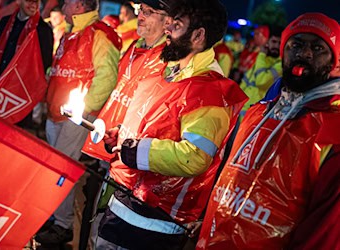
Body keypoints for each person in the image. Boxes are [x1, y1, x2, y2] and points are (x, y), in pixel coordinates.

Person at [96, 0, 247, 249]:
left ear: (198, 35)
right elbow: (153, 126)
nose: (167, 29)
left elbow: (195, 156)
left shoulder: (211, 91)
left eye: (176, 25)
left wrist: (138, 151)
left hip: (155, 222)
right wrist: (121, 136)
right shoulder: (166, 71)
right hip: (123, 202)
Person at [197, 12, 340, 249]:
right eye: (296, 45)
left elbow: (324, 235)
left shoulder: (332, 134)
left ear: (336, 62)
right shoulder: (258, 114)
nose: (304, 53)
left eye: (317, 48)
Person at [80, 0, 172, 247]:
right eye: (141, 10)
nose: (140, 16)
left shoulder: (169, 61)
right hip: (110, 145)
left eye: (150, 12)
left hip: (132, 163)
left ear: (168, 22)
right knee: (96, 221)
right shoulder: (135, 46)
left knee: (108, 231)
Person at [35, 0, 121, 246]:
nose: (63, 5)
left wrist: (80, 114)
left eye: (69, 1)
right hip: (57, 113)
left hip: (75, 117)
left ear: (80, 5)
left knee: (61, 170)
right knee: (56, 169)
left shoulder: (99, 34)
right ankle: (56, 217)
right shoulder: (72, 33)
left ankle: (63, 225)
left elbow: (107, 77)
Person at [0, 0, 53, 128]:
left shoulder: (42, 30)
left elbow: (44, 66)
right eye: (29, 1)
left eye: (37, 2)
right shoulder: (6, 22)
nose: (33, 5)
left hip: (19, 98)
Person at [239, 25, 283, 118]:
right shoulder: (262, 59)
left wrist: (261, 55)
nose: (276, 46)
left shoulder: (281, 65)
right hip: (243, 110)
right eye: (274, 42)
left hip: (257, 114)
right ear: (268, 42)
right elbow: (245, 82)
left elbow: (261, 81)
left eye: (280, 43)